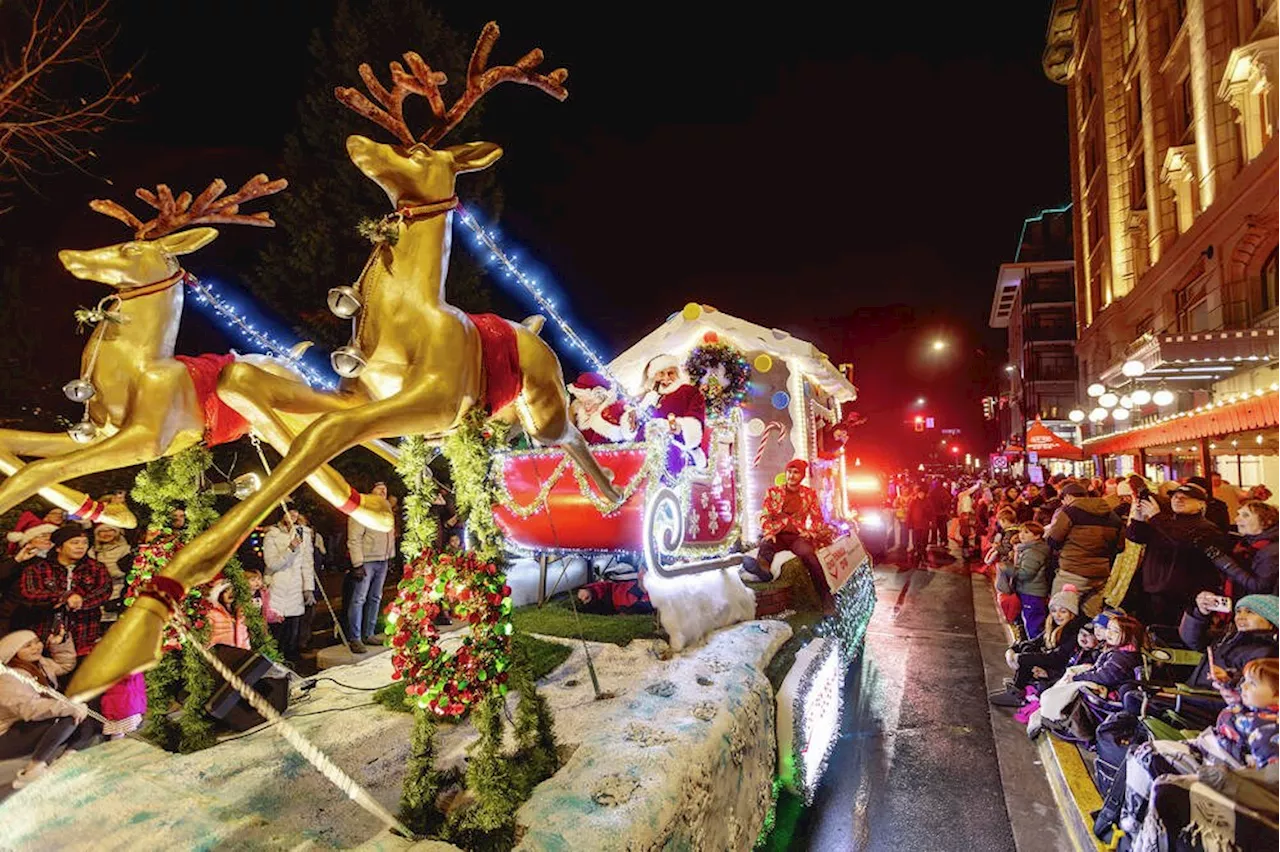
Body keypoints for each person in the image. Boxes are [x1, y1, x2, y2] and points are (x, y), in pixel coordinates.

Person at [1119, 656, 1280, 842]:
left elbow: (1269, 776)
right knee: (1143, 754)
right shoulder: (1257, 710)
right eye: (1244, 681)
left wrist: (1222, 776)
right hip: (1204, 751)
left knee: (1150, 760)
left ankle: (1136, 829)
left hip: (1216, 766)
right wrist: (1227, 685)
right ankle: (1132, 824)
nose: (1243, 686)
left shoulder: (1268, 730)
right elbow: (1239, 704)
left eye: (1252, 684)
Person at [0, 627, 96, 788]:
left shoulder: (40, 665)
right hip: (6, 737)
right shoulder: (9, 678)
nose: (36, 647)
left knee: (85, 712)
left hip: (27, 724)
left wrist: (60, 643)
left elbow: (65, 665)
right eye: (27, 645)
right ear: (14, 652)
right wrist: (68, 707)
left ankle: (69, 756)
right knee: (67, 715)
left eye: (37, 642)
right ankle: (32, 769)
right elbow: (30, 708)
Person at [1125, 482, 1227, 627]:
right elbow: (1136, 537)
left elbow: (1181, 541)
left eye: (1185, 498)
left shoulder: (1207, 528)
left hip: (1183, 598)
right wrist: (1138, 518)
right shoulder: (1165, 521)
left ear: (1201, 504)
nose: (1178, 500)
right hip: (1152, 594)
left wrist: (1156, 517)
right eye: (1175, 497)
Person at [750, 459, 836, 613]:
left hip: (796, 536)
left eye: (796, 472)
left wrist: (810, 532)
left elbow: (818, 519)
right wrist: (769, 531)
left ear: (802, 476)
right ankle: (764, 572)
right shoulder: (773, 492)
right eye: (789, 471)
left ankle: (826, 596)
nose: (791, 475)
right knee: (765, 545)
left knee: (810, 556)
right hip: (777, 534)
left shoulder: (809, 494)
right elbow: (765, 515)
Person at [13, 526, 112, 658]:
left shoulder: (96, 568)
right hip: (45, 632)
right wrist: (63, 597)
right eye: (75, 542)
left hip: (84, 633)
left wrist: (80, 601)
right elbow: (30, 593)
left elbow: (104, 591)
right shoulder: (38, 568)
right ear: (59, 547)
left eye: (85, 543)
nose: (81, 547)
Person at [990, 585, 1089, 707]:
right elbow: (1035, 642)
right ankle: (1018, 686)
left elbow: (1058, 658)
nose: (1057, 615)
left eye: (1063, 611)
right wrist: (1012, 650)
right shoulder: (1053, 626)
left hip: (1059, 670)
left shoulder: (1072, 632)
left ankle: (1018, 690)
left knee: (1027, 658)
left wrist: (1021, 658)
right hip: (1053, 663)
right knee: (1027, 649)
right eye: (1054, 610)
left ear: (1072, 614)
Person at [1045, 480, 1123, 605]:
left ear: (1068, 497)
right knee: (1091, 617)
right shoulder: (1112, 515)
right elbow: (1120, 546)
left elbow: (1053, 540)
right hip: (1100, 574)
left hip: (1072, 571)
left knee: (1060, 611)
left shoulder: (1069, 512)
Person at [637, 354, 708, 474]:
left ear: (677, 373)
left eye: (671, 373)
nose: (666, 378)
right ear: (654, 377)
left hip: (682, 450)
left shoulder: (688, 391)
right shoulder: (648, 398)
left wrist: (679, 428)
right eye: (661, 373)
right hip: (649, 451)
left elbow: (695, 422)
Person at [346, 483, 394, 654]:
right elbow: (354, 538)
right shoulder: (362, 510)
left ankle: (369, 633)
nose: (383, 491)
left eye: (385, 489)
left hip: (383, 559)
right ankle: (355, 637)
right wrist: (357, 563)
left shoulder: (385, 509)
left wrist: (390, 554)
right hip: (367, 560)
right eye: (379, 488)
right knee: (359, 598)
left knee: (375, 597)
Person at [263, 509, 315, 666]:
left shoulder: (303, 534)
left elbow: (307, 563)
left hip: (295, 587)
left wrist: (308, 588)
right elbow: (272, 563)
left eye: (296, 512)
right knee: (277, 629)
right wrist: (290, 549)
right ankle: (274, 661)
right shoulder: (272, 535)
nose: (293, 516)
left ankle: (291, 658)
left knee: (293, 626)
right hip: (277, 585)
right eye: (289, 512)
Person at [1201, 500, 1280, 596]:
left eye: (1245, 515)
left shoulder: (1272, 551)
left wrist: (1225, 563)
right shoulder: (1245, 543)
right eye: (1238, 514)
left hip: (1254, 607)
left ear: (1266, 521)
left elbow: (1259, 587)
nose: (1236, 519)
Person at [1000, 520, 1051, 638]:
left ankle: (1033, 648)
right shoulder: (1029, 549)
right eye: (1021, 532)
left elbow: (1025, 573)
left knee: (1033, 623)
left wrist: (1007, 569)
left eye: (1027, 532)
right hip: (1029, 590)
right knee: (1029, 620)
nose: (1021, 535)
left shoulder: (1034, 552)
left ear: (1037, 536)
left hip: (1032, 592)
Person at [568, 372, 636, 445]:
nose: (586, 406)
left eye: (589, 402)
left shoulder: (608, 419)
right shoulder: (580, 419)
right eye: (582, 402)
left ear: (601, 399)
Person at [89, 523, 133, 625]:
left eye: (110, 530)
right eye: (102, 531)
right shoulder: (92, 551)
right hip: (99, 594)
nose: (106, 534)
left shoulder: (126, 550)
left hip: (119, 592)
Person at [206, 579, 250, 651]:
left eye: (232, 590)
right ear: (219, 595)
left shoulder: (239, 614)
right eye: (226, 591)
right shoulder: (212, 613)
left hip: (238, 655)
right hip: (221, 654)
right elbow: (207, 637)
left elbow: (245, 638)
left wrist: (246, 652)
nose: (230, 593)